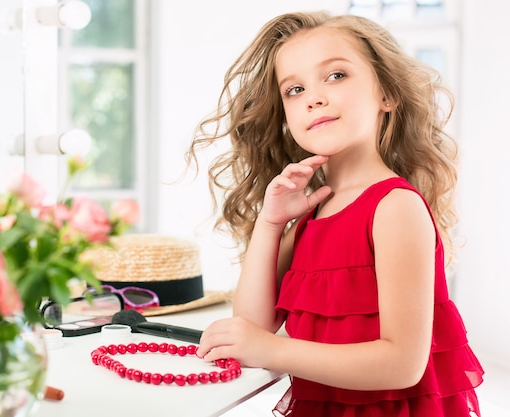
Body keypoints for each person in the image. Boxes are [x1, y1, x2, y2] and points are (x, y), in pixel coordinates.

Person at [188, 10, 484, 417]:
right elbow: (252, 324)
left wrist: (274, 350)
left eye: (336, 76)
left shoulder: (394, 206)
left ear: (387, 94)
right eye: (294, 89)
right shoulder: (313, 214)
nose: (314, 97)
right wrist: (271, 223)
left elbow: (402, 364)